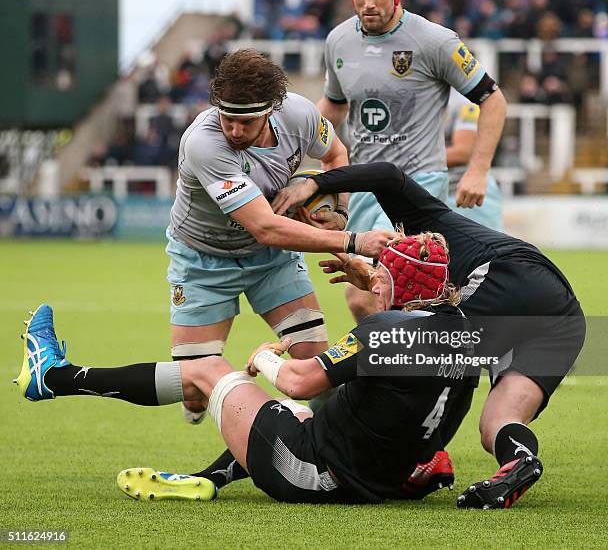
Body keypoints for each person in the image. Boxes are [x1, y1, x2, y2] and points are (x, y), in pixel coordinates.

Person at [16, 232, 480, 504]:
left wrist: (263, 358)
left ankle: (54, 376)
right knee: (294, 415)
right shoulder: (465, 333)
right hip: (385, 479)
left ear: (391, 284)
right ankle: (213, 478)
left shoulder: (386, 329)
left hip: (313, 473)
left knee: (208, 369)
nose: (372, 284)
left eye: (378, 277)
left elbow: (299, 382)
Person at [272, 162, 585, 509]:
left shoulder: (425, 221)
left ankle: (424, 456)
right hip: (563, 318)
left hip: (508, 276)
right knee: (498, 420)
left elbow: (387, 176)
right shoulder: (425, 246)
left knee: (426, 353)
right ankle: (519, 460)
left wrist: (313, 183)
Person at [166, 49, 393, 424]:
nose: (235, 130)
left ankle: (318, 446)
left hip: (270, 260)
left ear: (271, 109)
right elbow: (265, 226)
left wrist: (338, 211)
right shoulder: (204, 144)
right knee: (193, 392)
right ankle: (202, 399)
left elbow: (336, 154)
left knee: (316, 369)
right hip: (203, 260)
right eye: (227, 118)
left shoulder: (301, 114)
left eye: (247, 121)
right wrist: (352, 240)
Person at [315, 0, 507, 323]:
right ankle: (403, 372)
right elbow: (333, 107)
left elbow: (493, 99)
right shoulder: (338, 41)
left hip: (417, 183)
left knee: (388, 288)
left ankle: (418, 375)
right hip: (363, 187)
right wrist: (297, 147)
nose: (368, 3)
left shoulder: (435, 41)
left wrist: (478, 169)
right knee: (360, 300)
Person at [445, 91, 503, 231]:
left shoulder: (464, 101)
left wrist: (406, 162)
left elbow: (462, 153)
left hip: (467, 196)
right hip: (437, 192)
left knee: (488, 251)